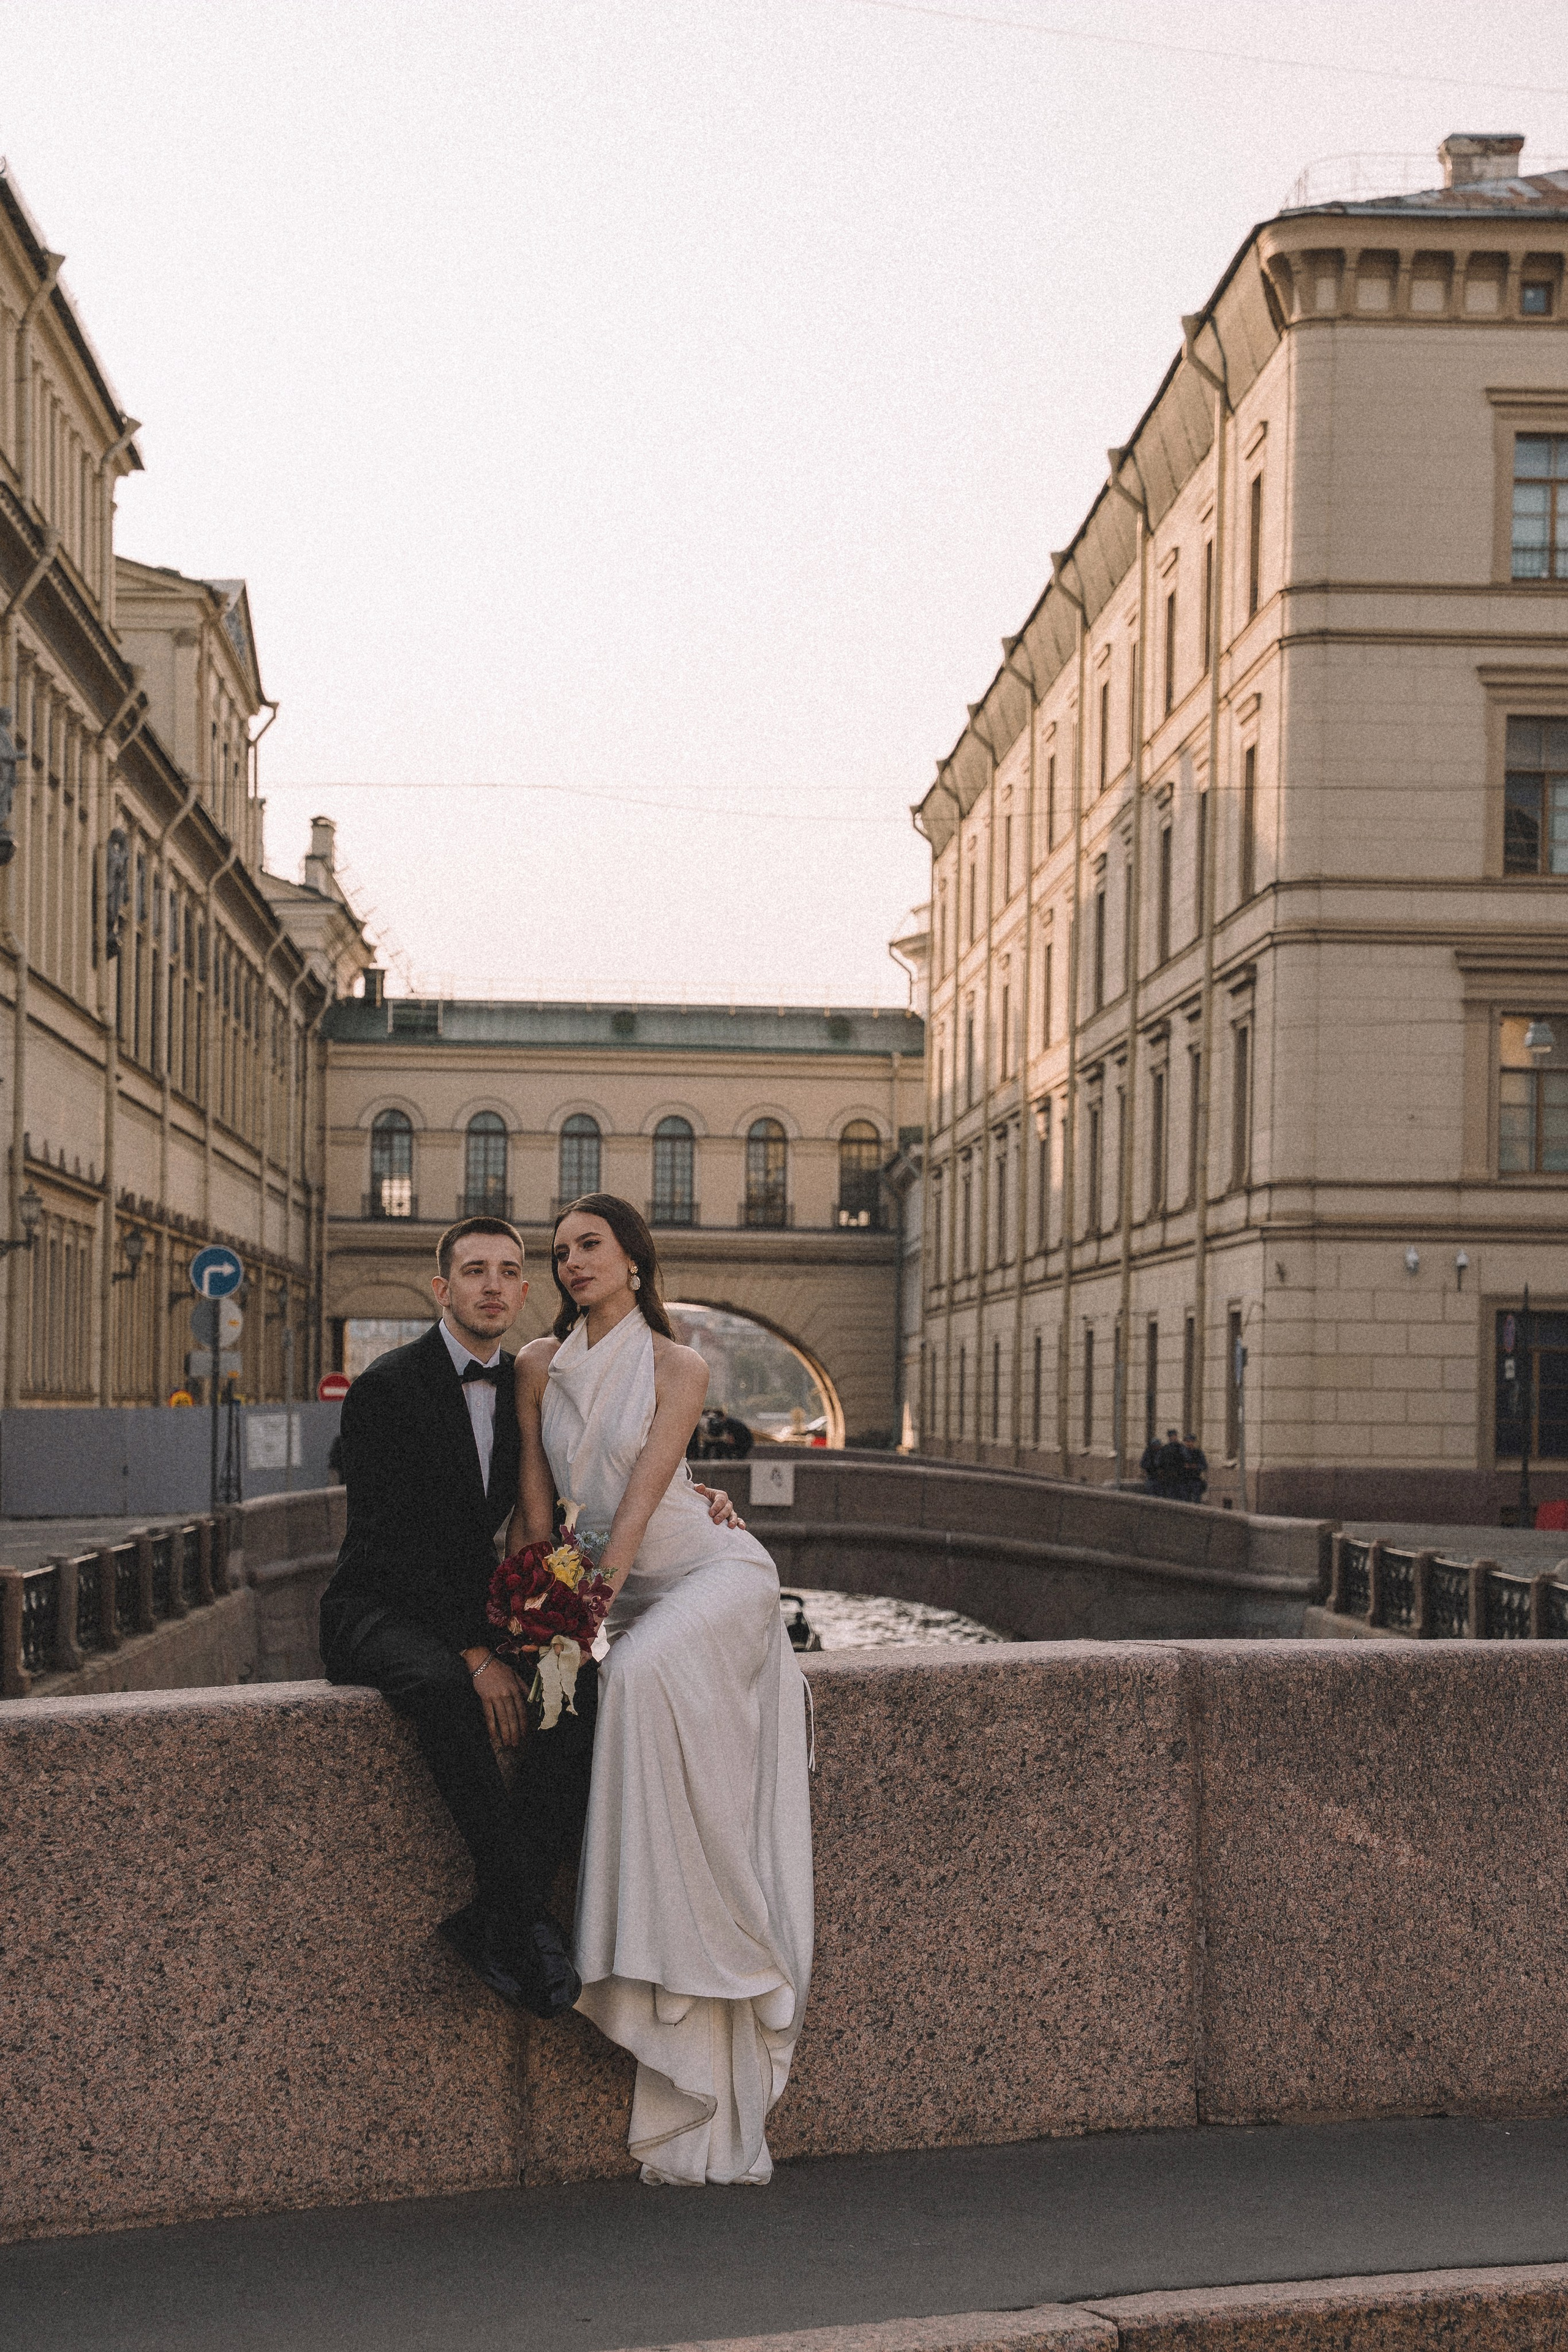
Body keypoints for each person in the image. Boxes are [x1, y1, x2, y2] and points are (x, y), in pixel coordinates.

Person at [317, 1215, 744, 2024]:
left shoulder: (533, 1377)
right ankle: (518, 1913)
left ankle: (496, 1915)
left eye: (510, 1271)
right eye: (473, 1271)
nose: (492, 1285)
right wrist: (479, 1651)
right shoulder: (386, 1388)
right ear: (442, 1290)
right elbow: (388, 1544)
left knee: (577, 1689)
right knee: (446, 1690)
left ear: (523, 1291)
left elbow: (584, 1486)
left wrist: (701, 1497)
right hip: (380, 1607)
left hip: (476, 1604)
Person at [513, 1192, 813, 2187]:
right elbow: (538, 1504)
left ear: (634, 1260)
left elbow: (641, 1499)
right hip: (625, 1597)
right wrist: (542, 1598)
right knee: (627, 1682)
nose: (570, 1263)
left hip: (712, 1578)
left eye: (588, 1246)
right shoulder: (538, 1367)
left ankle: (711, 1946)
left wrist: (585, 1615)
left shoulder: (678, 1365)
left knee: (632, 1679)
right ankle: (665, 1948)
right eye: (559, 1253)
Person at [1180, 1431, 1209, 1504]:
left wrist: (1196, 1466)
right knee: (1185, 1501)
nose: (1189, 1444)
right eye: (1187, 1442)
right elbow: (1176, 1465)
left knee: (1197, 1501)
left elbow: (1205, 1466)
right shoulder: (1181, 1453)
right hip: (1184, 1480)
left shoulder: (1198, 1453)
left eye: (1191, 1442)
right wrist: (1184, 1466)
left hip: (1195, 1479)